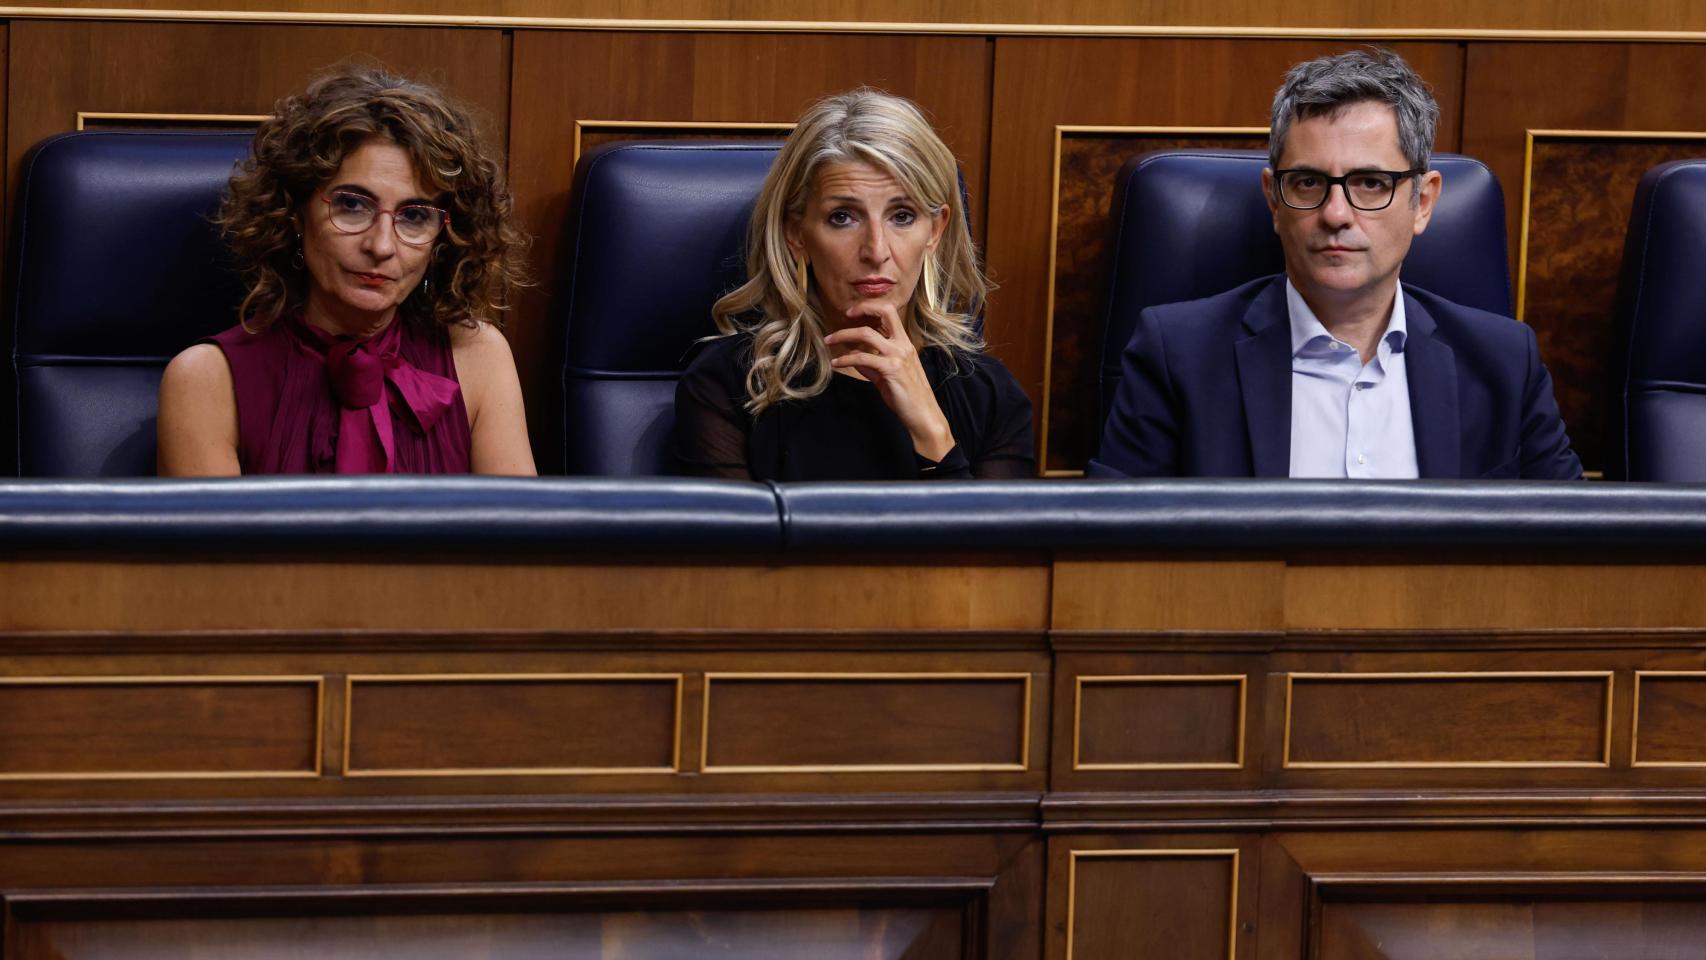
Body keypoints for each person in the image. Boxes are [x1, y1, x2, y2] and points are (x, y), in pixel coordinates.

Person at [1093, 49, 1582, 480]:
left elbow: (1571, 551)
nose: (1335, 215)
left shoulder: (1502, 362)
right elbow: (1113, 552)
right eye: (1307, 182)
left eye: (1370, 183)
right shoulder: (1177, 355)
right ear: (1273, 199)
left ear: (1424, 202)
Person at [158, 66, 535, 475]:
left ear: (443, 238)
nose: (381, 246)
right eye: (352, 205)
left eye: (414, 216)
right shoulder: (205, 381)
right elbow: (221, 542)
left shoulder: (479, 358)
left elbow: (516, 538)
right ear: (295, 214)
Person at [673, 88, 1034, 481]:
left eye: (902, 216)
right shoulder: (728, 384)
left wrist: (932, 431)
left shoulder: (991, 395)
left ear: (936, 231)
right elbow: (735, 543)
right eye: (843, 217)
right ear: (796, 233)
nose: (876, 250)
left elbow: (991, 543)